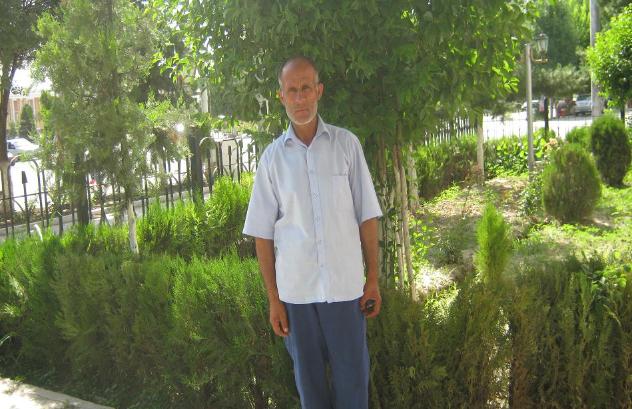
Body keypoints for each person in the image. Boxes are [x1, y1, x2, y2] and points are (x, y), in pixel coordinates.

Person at [243, 56, 382, 409]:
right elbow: (262, 235)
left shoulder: (347, 146)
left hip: (346, 291)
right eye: (292, 90)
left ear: (319, 91)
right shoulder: (272, 159)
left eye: (306, 88)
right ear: (281, 97)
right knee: (311, 392)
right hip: (297, 297)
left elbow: (367, 216)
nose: (300, 97)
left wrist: (373, 280)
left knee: (354, 389)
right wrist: (274, 299)